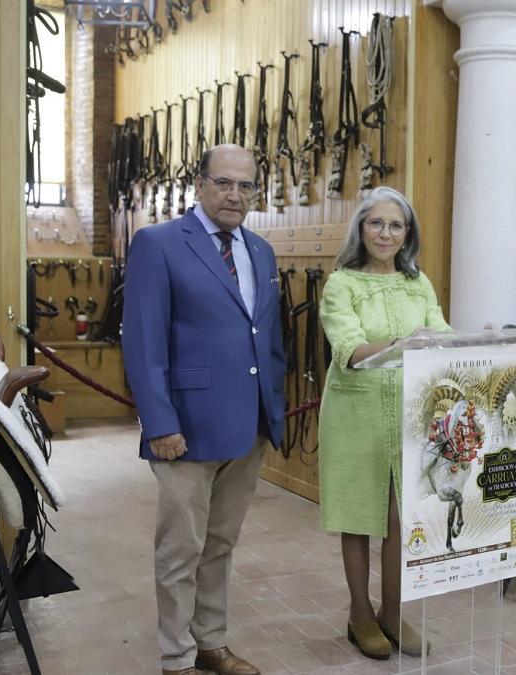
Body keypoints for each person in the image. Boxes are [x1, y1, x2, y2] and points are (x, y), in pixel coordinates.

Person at [123, 144, 285, 675]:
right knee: (180, 552)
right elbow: (144, 343)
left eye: (246, 186)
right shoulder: (159, 244)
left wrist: (273, 412)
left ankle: (211, 642)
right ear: (199, 184)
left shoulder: (260, 251)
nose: (235, 195)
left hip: (247, 427)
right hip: (185, 429)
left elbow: (269, 339)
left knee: (220, 545)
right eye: (224, 183)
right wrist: (160, 423)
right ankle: (177, 658)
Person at [317, 186, 449, 659]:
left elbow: (442, 335)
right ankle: (359, 613)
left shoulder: (419, 283)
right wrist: (406, 342)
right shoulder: (342, 283)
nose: (385, 233)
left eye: (395, 225)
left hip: (410, 415)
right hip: (356, 413)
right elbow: (348, 349)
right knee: (359, 516)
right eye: (376, 223)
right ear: (361, 228)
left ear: (406, 233)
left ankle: (392, 612)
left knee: (399, 517)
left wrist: (478, 341)